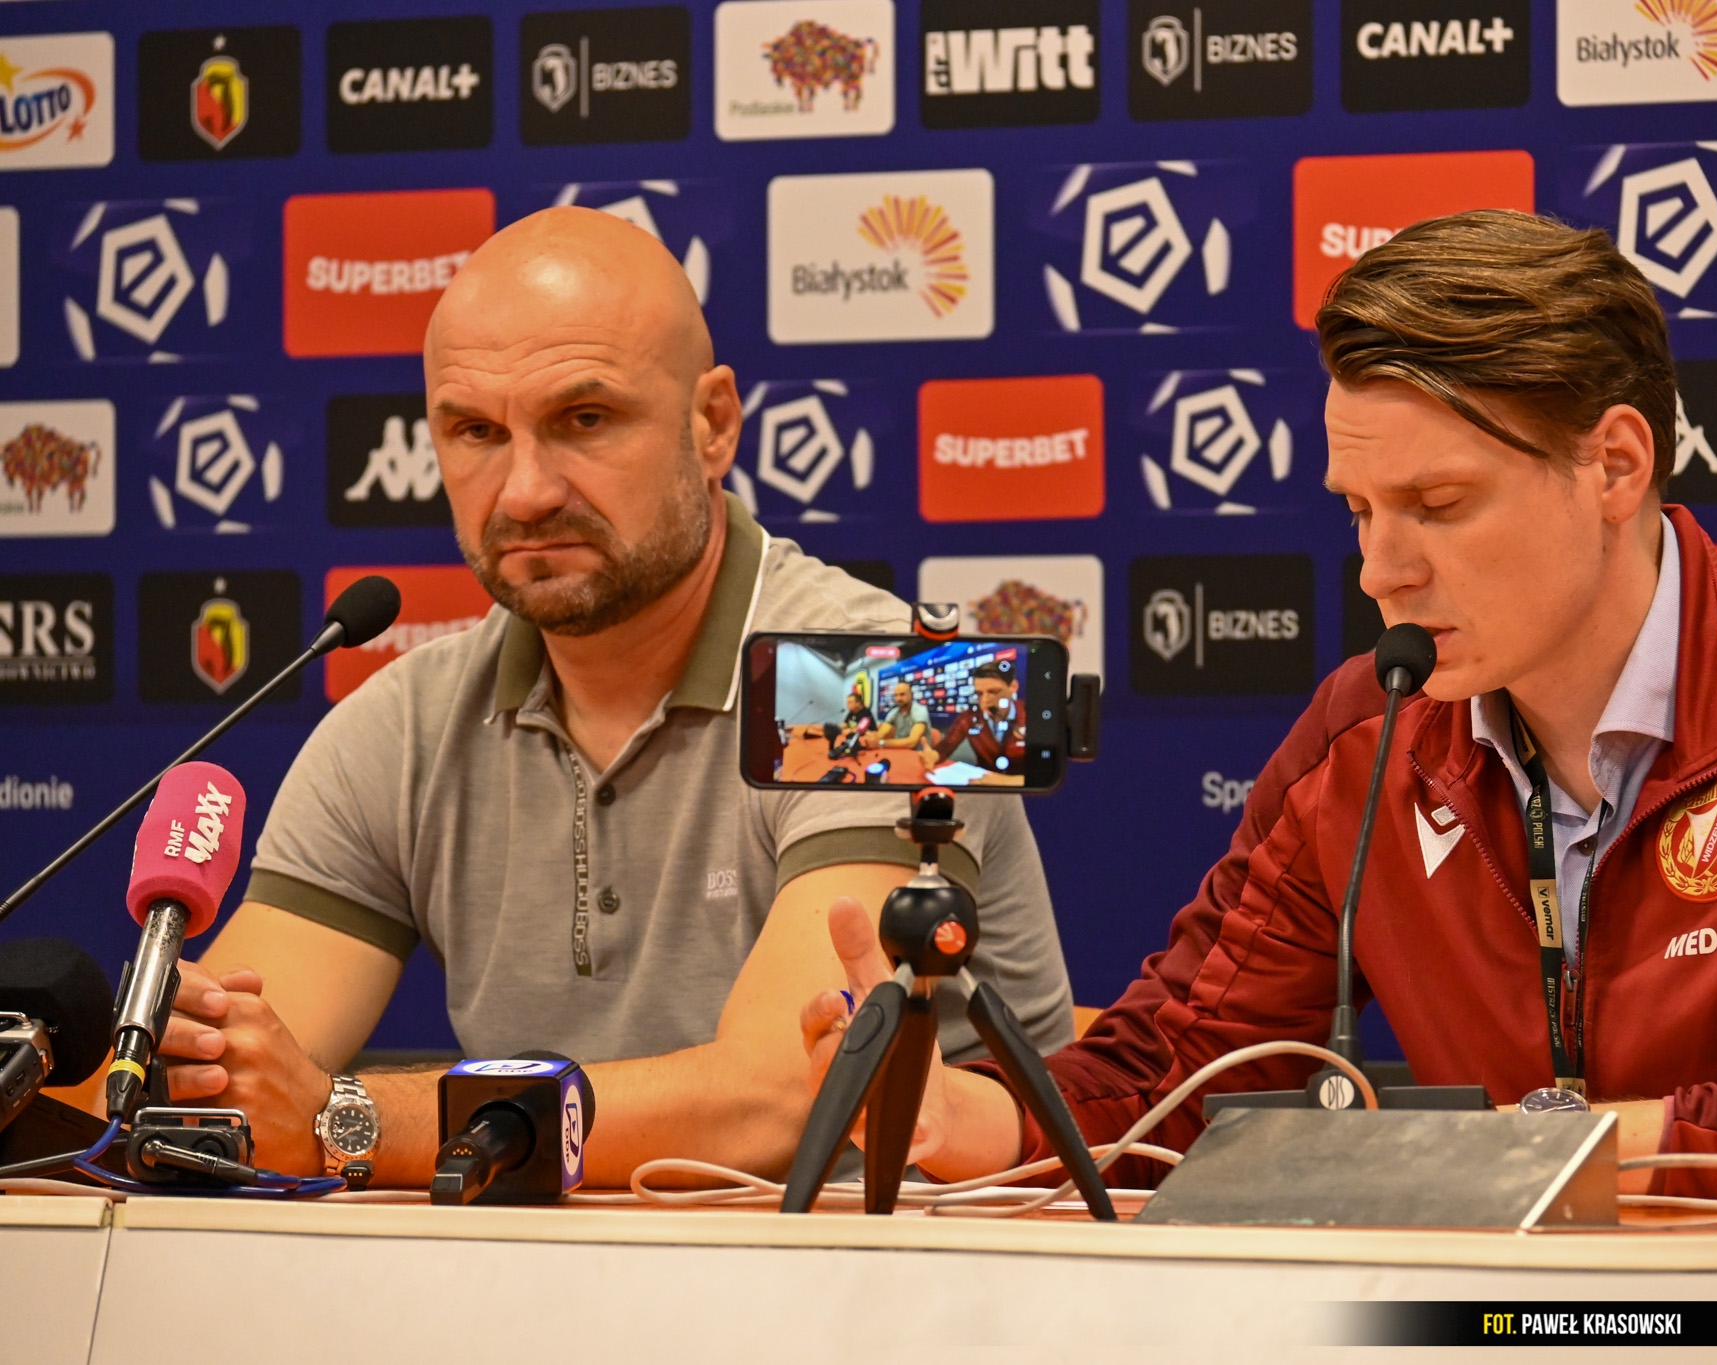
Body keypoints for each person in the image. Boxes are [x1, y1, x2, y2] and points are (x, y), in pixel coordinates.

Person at [803, 210, 1717, 1199]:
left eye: (1437, 506)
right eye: (1358, 510)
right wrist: (965, 1118)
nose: (1379, 571)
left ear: (1614, 464)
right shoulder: (1369, 730)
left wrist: (1549, 1153)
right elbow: (1174, 1069)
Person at [129, 207, 1074, 1186]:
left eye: (584, 420)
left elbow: (788, 1094)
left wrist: (347, 1123)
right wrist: (194, 1067)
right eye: (476, 432)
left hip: (900, 1268)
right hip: (533, 1274)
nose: (525, 491)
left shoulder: (895, 681)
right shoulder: (401, 727)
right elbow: (231, 1085)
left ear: (713, 424)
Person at [919, 660, 1028, 774]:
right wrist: (933, 756)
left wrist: (1010, 781)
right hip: (982, 781)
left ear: (1013, 687)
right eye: (979, 694)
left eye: (994, 692)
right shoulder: (968, 718)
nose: (985, 700)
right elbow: (946, 745)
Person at [864, 681, 931, 750]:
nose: (898, 699)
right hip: (900, 751)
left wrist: (881, 743)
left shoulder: (920, 710)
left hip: (920, 753)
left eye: (902, 694)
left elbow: (912, 743)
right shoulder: (894, 712)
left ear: (911, 695)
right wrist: (872, 737)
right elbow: (881, 734)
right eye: (896, 695)